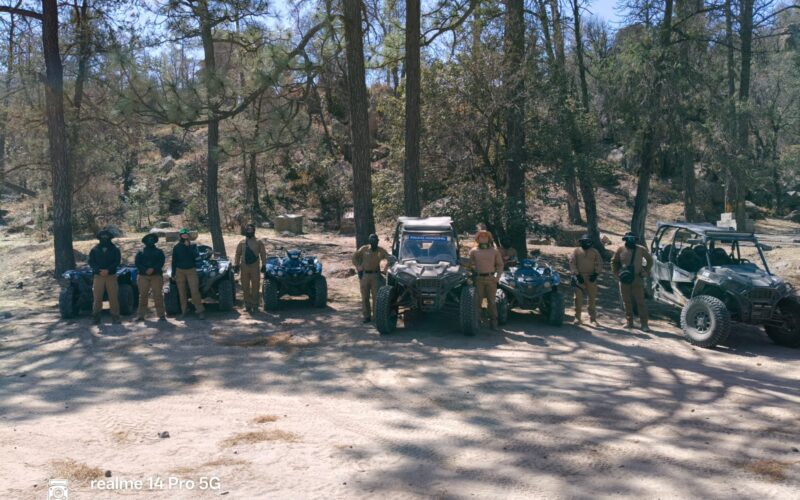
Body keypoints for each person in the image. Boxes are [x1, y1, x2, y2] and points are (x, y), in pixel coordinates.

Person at [612, 232, 653, 332]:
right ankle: (629, 322)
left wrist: (646, 271)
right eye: (629, 239)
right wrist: (616, 274)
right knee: (626, 301)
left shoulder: (641, 249)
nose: (631, 240)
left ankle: (644, 324)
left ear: (635, 239)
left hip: (637, 278)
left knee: (640, 302)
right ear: (625, 239)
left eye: (633, 239)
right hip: (624, 279)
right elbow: (614, 261)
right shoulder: (620, 249)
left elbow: (650, 260)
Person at [469, 230, 504, 330]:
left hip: (491, 279)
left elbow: (500, 265)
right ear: (477, 239)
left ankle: (493, 323)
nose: (483, 238)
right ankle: (478, 321)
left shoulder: (494, 251)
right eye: (481, 237)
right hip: (478, 279)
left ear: (489, 239)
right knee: (477, 301)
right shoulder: (473, 251)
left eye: (485, 237)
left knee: (492, 302)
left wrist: (497, 277)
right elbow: (470, 264)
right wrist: (472, 269)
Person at [352, 233, 390, 323]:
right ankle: (366, 316)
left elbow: (390, 258)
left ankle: (376, 317)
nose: (374, 243)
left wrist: (386, 268)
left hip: (376, 276)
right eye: (372, 241)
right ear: (370, 241)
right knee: (365, 297)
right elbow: (354, 257)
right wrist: (358, 266)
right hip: (365, 276)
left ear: (377, 242)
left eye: (375, 241)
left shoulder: (380, 251)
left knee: (376, 297)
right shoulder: (364, 249)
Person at [89, 229, 122, 324]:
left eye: (106, 238)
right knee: (97, 298)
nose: (104, 239)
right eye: (102, 238)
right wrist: (99, 270)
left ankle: (116, 317)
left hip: (111, 275)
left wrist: (108, 270)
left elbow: (117, 261)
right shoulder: (94, 250)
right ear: (99, 238)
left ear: (110, 238)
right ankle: (96, 317)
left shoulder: (115, 249)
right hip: (98, 276)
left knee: (113, 297)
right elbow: (91, 262)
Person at [569, 234, 603, 327]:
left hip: (591, 277)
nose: (586, 243)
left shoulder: (595, 251)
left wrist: (596, 274)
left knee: (592, 298)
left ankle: (593, 319)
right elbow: (572, 263)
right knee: (577, 298)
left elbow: (599, 263)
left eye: (588, 241)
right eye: (584, 241)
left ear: (591, 242)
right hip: (579, 277)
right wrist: (577, 274)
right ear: (581, 242)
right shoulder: (576, 251)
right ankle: (577, 318)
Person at [170, 229, 205, 320]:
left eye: (186, 234)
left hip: (191, 270)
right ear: (180, 236)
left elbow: (196, 257)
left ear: (188, 236)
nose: (184, 236)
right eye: (183, 234)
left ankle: (200, 311)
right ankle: (184, 311)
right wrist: (173, 273)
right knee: (182, 292)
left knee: (194, 291)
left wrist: (188, 247)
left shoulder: (193, 246)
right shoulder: (177, 247)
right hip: (179, 271)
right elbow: (174, 261)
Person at [234, 223, 267, 313]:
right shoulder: (242, 242)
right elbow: (237, 254)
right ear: (246, 230)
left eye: (251, 229)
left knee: (255, 286)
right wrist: (236, 264)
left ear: (254, 230)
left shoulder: (258, 242)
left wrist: (264, 265)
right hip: (244, 266)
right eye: (248, 229)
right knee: (245, 286)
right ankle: (247, 305)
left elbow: (263, 254)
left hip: (255, 266)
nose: (249, 231)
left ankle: (255, 304)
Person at [135, 233, 166, 322]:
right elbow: (137, 263)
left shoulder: (159, 252)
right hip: (143, 276)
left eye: (152, 240)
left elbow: (161, 262)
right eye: (148, 240)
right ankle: (141, 315)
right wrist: (145, 270)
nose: (150, 241)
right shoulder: (140, 252)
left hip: (156, 275)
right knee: (143, 296)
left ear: (155, 241)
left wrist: (153, 269)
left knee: (158, 295)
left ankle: (161, 315)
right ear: (145, 242)